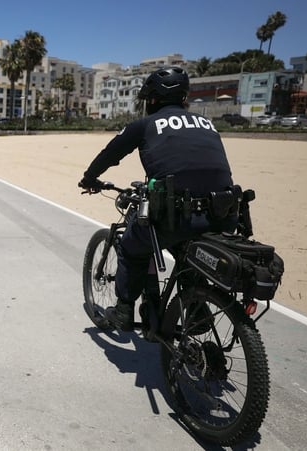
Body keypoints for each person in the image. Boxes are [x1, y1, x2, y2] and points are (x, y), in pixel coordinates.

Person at [78, 66, 237, 331]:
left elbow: (110, 154)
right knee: (187, 250)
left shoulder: (145, 124)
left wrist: (89, 178)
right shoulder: (207, 124)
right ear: (184, 97)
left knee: (131, 246)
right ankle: (196, 307)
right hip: (222, 214)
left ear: (153, 98)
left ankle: (123, 310)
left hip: (174, 216)